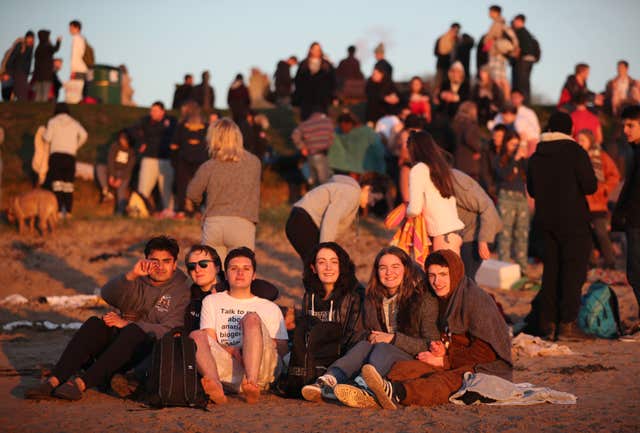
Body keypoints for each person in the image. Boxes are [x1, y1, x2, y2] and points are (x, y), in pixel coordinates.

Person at [24, 236, 190, 401]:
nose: (160, 266)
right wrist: (131, 275)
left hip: (145, 351)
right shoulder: (139, 278)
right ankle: (54, 380)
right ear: (146, 260)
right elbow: (107, 295)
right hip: (118, 347)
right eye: (155, 261)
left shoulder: (182, 290)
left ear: (174, 264)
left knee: (133, 331)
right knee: (95, 324)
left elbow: (171, 329)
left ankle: (81, 384)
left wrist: (128, 324)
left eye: (166, 261)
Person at [341, 249, 512, 409]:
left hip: (483, 367)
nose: (437, 282)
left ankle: (395, 393)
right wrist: (441, 349)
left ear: (456, 273)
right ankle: (368, 392)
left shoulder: (475, 300)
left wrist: (445, 361)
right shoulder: (443, 298)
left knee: (445, 382)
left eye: (444, 274)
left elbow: (486, 352)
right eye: (432, 275)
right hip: (450, 358)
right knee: (403, 370)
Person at [302, 246, 439, 404]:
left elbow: (431, 343)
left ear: (406, 270)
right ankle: (329, 380)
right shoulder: (372, 298)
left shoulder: (422, 299)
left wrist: (392, 339)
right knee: (363, 346)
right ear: (377, 271)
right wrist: (370, 336)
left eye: (395, 267)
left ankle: (362, 386)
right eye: (383, 268)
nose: (389, 273)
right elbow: (358, 333)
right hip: (378, 355)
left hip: (410, 357)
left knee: (383, 347)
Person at [523, 112, 597, 341]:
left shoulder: (536, 156)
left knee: (551, 272)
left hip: (545, 221)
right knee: (573, 272)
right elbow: (590, 186)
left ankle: (548, 323)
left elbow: (533, 191)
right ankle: (567, 325)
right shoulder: (575, 152)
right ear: (569, 129)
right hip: (573, 221)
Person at [189, 247, 288, 404]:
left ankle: (252, 384)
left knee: (251, 319)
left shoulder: (269, 307)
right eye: (234, 269)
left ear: (254, 275)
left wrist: (252, 345)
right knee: (196, 336)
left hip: (263, 371)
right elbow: (209, 340)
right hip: (227, 370)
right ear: (226, 274)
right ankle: (216, 386)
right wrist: (232, 350)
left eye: (246, 269)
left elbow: (282, 351)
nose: (240, 273)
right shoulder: (212, 301)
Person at [282, 242, 364, 397]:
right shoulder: (309, 296)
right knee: (285, 359)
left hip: (341, 356)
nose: (328, 268)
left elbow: (354, 335)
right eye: (322, 262)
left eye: (334, 262)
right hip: (313, 356)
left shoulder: (353, 295)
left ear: (342, 266)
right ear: (313, 268)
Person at [187, 118, 261, 264]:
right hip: (242, 222)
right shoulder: (254, 163)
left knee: (215, 277)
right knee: (240, 277)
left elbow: (192, 193)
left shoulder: (209, 166)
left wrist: (200, 204)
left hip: (214, 222)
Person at [406, 130, 465, 253]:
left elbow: (414, 208)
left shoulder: (418, 169)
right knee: (452, 271)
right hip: (454, 232)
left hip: (442, 234)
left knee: (440, 271)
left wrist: (404, 212)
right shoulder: (441, 167)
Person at [285, 174, 364, 263]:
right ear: (367, 188)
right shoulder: (352, 194)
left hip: (298, 220)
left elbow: (335, 178)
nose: (372, 203)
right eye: (375, 197)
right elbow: (330, 221)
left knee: (316, 267)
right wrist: (326, 252)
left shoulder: (348, 191)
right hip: (303, 223)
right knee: (319, 266)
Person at [576, 129, 620, 269]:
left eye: (582, 140)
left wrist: (605, 188)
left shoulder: (601, 156)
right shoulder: (575, 157)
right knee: (584, 234)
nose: (580, 143)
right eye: (578, 140)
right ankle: (591, 262)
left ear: (590, 141)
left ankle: (610, 261)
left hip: (598, 202)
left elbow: (614, 175)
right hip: (580, 201)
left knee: (601, 232)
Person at [612, 106, 640, 320]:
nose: (626, 130)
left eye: (631, 125)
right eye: (624, 126)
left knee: (635, 273)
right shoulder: (634, 151)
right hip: (633, 220)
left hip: (637, 221)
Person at [452, 169, 502, 279]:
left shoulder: (455, 181)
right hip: (465, 234)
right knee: (465, 278)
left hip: (476, 233)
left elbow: (486, 206)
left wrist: (483, 240)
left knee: (466, 279)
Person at [42, 103, 87, 217]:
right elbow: (84, 135)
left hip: (56, 156)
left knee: (57, 184)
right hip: (70, 156)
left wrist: (43, 133)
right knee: (68, 185)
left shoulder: (53, 122)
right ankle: (68, 211)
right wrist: (75, 146)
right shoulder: (74, 122)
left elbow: (47, 138)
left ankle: (57, 211)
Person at [495, 130, 529, 275]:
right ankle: (504, 266)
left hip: (521, 197)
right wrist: (514, 159)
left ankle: (522, 267)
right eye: (512, 144)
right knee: (505, 233)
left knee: (522, 233)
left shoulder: (522, 159)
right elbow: (503, 175)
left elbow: (529, 174)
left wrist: (524, 158)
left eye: (517, 144)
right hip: (506, 196)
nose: (515, 147)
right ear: (506, 144)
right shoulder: (500, 158)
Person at [133, 101, 176, 216]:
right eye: (152, 110)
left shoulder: (171, 121)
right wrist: (141, 142)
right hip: (149, 159)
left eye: (156, 111)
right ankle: (138, 210)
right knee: (143, 187)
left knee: (167, 188)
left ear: (163, 111)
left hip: (166, 160)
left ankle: (169, 211)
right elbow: (134, 131)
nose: (153, 113)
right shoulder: (145, 121)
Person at [169, 101, 209, 218]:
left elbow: (174, 145)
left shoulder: (181, 126)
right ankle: (196, 210)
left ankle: (184, 210)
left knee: (184, 186)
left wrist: (174, 159)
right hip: (197, 160)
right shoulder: (206, 126)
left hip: (186, 160)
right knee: (198, 186)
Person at [328, 111, 386, 178]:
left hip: (367, 170)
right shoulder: (342, 132)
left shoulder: (363, 133)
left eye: (343, 126)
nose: (343, 129)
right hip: (361, 169)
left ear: (350, 123)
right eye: (341, 127)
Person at [291, 107, 334, 186]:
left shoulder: (305, 124)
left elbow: (294, 135)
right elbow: (331, 137)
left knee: (314, 183)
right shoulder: (328, 122)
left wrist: (302, 147)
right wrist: (328, 144)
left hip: (310, 155)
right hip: (322, 154)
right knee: (324, 182)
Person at [293, 42, 336, 120]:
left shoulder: (327, 65)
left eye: (318, 49)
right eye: (314, 49)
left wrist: (331, 96)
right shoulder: (303, 64)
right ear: (310, 50)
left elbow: (332, 82)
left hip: (322, 100)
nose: (316, 51)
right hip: (306, 100)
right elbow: (298, 82)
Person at [484, 5, 517, 101]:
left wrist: (488, 43)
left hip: (496, 53)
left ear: (496, 12)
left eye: (490, 11)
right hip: (501, 53)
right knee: (502, 78)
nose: (489, 14)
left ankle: (503, 100)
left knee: (497, 78)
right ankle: (506, 99)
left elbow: (493, 38)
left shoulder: (497, 23)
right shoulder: (502, 22)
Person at [510, 14, 539, 104]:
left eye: (515, 21)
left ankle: (522, 103)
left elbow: (522, 49)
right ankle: (525, 102)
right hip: (529, 60)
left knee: (521, 84)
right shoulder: (528, 34)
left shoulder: (520, 32)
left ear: (519, 21)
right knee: (525, 84)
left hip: (523, 60)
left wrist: (517, 55)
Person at [107, 129, 136, 215]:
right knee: (100, 168)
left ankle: (120, 211)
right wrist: (112, 175)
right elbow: (110, 160)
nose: (122, 140)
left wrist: (120, 179)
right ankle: (106, 191)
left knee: (121, 190)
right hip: (114, 171)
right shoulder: (115, 146)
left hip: (124, 174)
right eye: (121, 138)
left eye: (124, 139)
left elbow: (129, 168)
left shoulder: (131, 151)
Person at [452, 101, 482, 181]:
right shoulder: (471, 125)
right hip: (469, 163)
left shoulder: (455, 124)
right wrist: (478, 150)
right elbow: (469, 138)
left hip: (457, 161)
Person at [5, 30, 34, 101]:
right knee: (21, 90)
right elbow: (12, 57)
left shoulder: (30, 48)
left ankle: (14, 97)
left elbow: (28, 63)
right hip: (18, 71)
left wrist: (28, 72)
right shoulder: (21, 45)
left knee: (22, 89)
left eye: (32, 38)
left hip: (24, 73)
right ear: (26, 38)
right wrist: (8, 69)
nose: (31, 40)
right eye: (29, 38)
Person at [33, 30, 61, 102]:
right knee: (45, 95)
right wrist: (58, 42)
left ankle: (37, 109)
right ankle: (41, 110)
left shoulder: (38, 48)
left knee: (38, 95)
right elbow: (55, 49)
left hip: (38, 75)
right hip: (46, 75)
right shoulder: (47, 46)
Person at [433, 23, 460, 91]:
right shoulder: (441, 39)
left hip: (451, 66)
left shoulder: (458, 40)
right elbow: (436, 52)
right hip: (442, 65)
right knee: (439, 83)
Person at [68, 20, 88, 99]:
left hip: (77, 69)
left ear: (76, 28)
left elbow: (75, 56)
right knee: (82, 92)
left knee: (76, 93)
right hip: (84, 68)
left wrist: (73, 70)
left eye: (71, 28)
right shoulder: (82, 39)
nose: (69, 30)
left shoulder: (76, 39)